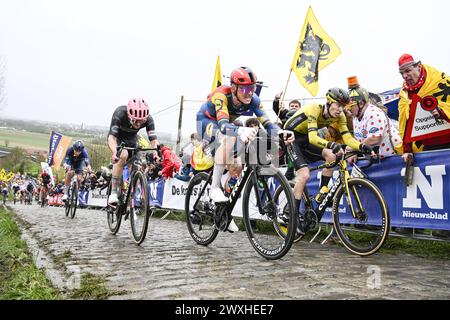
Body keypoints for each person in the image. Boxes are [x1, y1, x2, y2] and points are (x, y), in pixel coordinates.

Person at [196, 66, 293, 232]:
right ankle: (213, 189)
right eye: (246, 88)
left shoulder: (254, 99)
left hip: (227, 125)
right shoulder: (221, 95)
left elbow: (267, 123)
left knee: (237, 167)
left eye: (253, 88)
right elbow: (223, 126)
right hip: (206, 122)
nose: (250, 93)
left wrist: (281, 132)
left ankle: (223, 211)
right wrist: (240, 130)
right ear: (234, 88)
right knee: (228, 136)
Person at [284, 87, 376, 234]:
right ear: (328, 102)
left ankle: (322, 192)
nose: (340, 109)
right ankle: (291, 215)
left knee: (332, 156)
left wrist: (363, 146)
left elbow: (347, 138)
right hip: (290, 137)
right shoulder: (315, 108)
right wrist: (332, 144)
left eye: (343, 106)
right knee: (304, 174)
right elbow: (314, 137)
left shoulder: (340, 117)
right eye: (338, 105)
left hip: (305, 139)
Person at [398, 54, 450, 238]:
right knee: (428, 183)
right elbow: (405, 121)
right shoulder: (404, 92)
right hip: (426, 144)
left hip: (447, 140)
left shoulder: (438, 79)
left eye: (408, 71)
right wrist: (407, 149)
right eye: (401, 73)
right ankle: (427, 224)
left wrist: (442, 111)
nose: (405, 76)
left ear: (418, 66)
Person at [107, 98, 160, 204]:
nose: (138, 123)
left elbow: (153, 140)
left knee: (137, 167)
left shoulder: (148, 119)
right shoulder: (120, 113)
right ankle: (113, 192)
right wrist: (114, 151)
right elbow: (112, 138)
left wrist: (156, 153)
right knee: (123, 155)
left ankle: (130, 199)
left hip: (132, 141)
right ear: (129, 115)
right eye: (135, 120)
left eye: (141, 121)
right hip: (118, 140)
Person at [346, 85, 402, 162]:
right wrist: (354, 152)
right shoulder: (356, 116)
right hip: (378, 160)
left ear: (361, 103)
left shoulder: (373, 113)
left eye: (350, 107)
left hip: (394, 157)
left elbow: (374, 139)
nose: (348, 111)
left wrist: (353, 148)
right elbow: (359, 139)